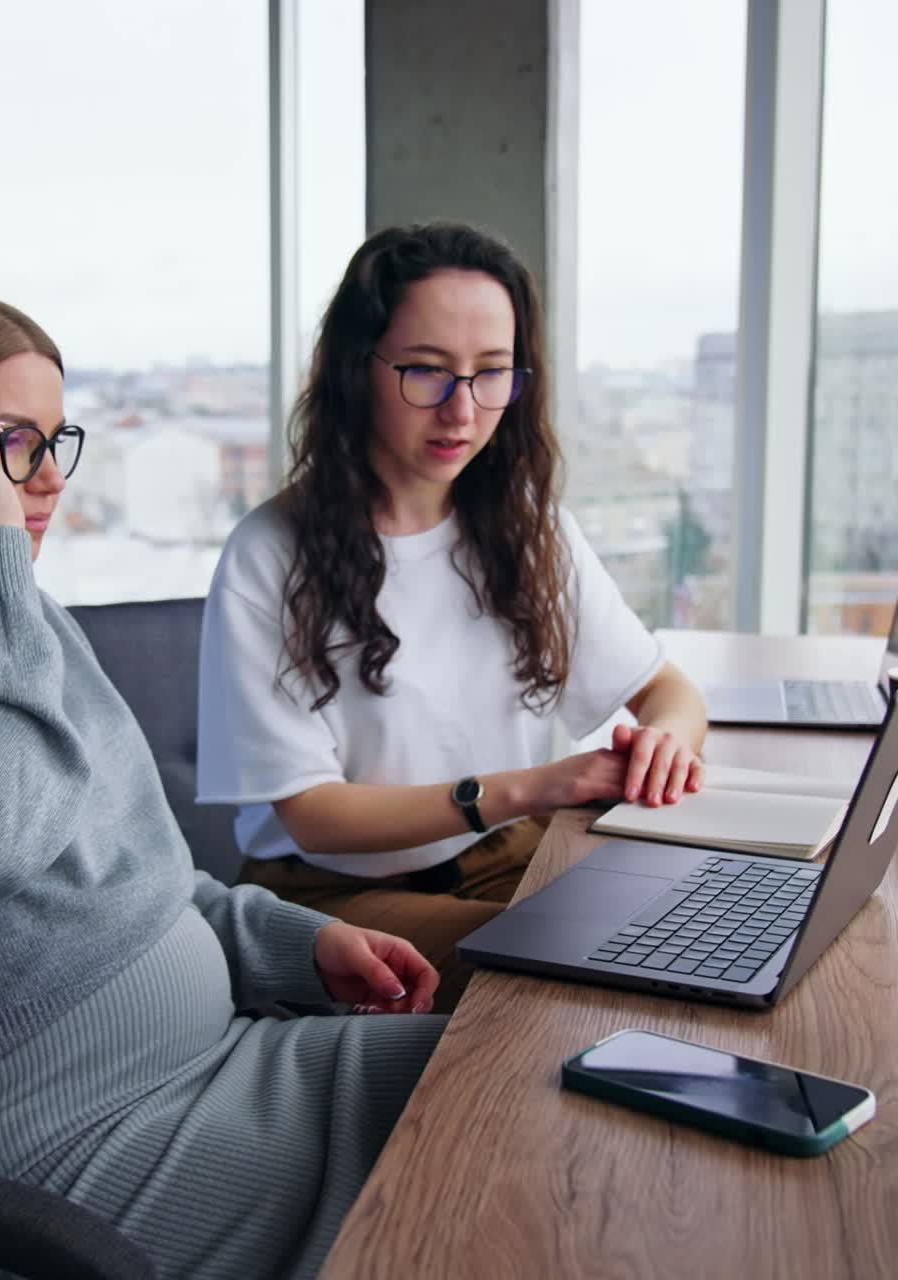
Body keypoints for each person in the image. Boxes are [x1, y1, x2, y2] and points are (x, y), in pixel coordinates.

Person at [0, 287, 445, 1280]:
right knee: (475, 1189)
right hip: (54, 1154)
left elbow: (141, 872)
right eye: (4, 442)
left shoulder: (23, 622)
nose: (43, 480)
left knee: (511, 1083)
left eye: (54, 442)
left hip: (220, 1069)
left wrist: (293, 942)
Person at [197, 222, 708, 1013]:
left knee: (702, 928)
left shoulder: (525, 525)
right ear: (355, 373)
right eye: (426, 373)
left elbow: (666, 690)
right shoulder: (269, 554)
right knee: (562, 983)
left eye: (492, 374)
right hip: (336, 898)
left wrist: (665, 749)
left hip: (507, 858)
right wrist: (532, 787)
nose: (462, 411)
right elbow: (314, 816)